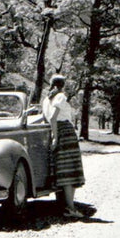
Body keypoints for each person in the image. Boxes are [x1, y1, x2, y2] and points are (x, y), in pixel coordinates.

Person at [42, 74, 85, 219]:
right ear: (63, 85)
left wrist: (53, 135)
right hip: (64, 132)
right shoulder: (60, 96)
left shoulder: (46, 100)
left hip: (56, 131)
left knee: (64, 169)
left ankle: (67, 205)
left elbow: (47, 119)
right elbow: (54, 118)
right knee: (70, 171)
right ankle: (70, 208)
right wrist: (56, 136)